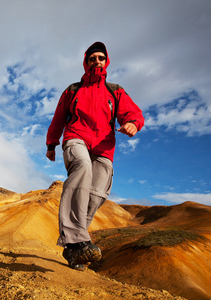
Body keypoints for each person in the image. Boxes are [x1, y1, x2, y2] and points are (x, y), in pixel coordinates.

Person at [46, 41, 144, 270]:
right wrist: (52, 143)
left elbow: (133, 113)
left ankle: (75, 251)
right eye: (92, 58)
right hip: (76, 137)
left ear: (106, 61)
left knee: (98, 191)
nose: (96, 61)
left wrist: (132, 123)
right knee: (82, 167)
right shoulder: (73, 89)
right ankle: (76, 240)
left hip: (104, 147)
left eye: (101, 58)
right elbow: (58, 118)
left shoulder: (115, 90)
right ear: (86, 61)